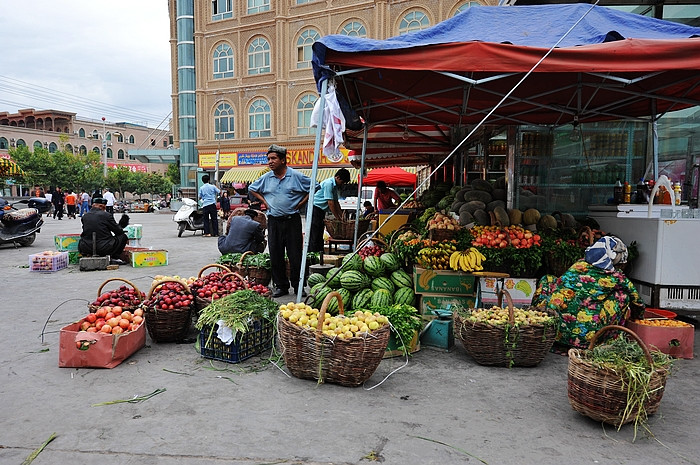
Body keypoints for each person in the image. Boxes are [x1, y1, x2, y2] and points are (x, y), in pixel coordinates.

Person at [531, 235, 645, 352]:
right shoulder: (617, 277)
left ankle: (538, 322)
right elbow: (637, 301)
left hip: (554, 331)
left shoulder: (578, 265)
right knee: (623, 296)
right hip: (586, 337)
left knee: (548, 279)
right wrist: (639, 318)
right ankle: (609, 340)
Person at [249, 144, 311, 298]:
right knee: (275, 255)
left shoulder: (296, 176)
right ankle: (281, 286)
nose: (270, 161)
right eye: (268, 159)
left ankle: (298, 286)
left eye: (274, 158)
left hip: (292, 221)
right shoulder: (266, 177)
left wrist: (301, 203)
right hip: (274, 221)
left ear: (283, 160)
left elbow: (315, 187)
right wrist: (265, 201)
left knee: (295, 255)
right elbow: (252, 188)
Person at [78, 198, 130, 265]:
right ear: (101, 206)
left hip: (86, 247)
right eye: (104, 207)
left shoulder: (85, 216)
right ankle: (114, 257)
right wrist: (121, 225)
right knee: (123, 236)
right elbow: (118, 231)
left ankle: (88, 254)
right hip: (103, 248)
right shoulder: (106, 215)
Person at [309, 168, 350, 253]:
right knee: (314, 233)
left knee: (320, 232)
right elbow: (330, 203)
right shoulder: (329, 184)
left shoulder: (335, 186)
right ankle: (312, 253)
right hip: (315, 208)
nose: (342, 184)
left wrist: (341, 216)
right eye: (342, 182)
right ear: (338, 177)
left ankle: (320, 252)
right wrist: (337, 218)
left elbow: (336, 203)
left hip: (320, 210)